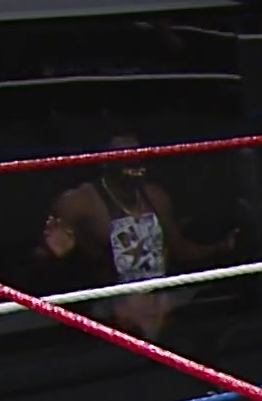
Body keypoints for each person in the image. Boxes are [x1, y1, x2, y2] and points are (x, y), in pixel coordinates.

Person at [32, 132, 234, 339]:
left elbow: (179, 249)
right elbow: (40, 263)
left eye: (138, 156)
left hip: (158, 297)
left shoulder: (156, 196)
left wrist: (222, 248)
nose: (134, 162)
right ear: (105, 161)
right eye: (125, 157)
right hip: (113, 304)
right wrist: (52, 254)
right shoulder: (79, 202)